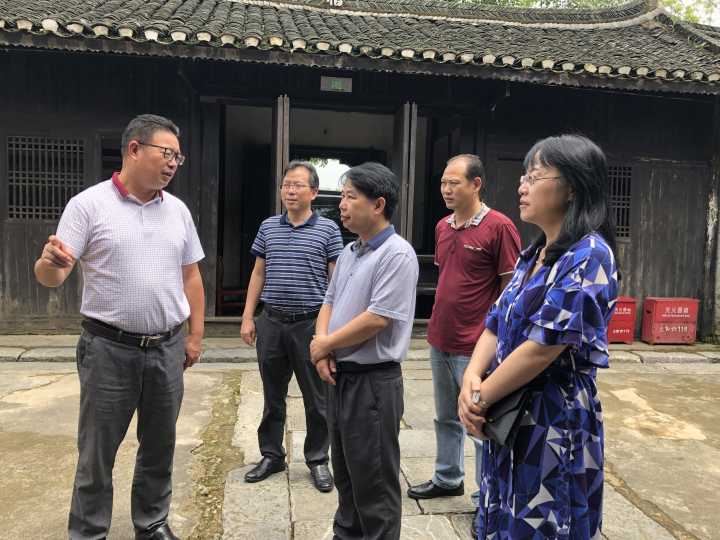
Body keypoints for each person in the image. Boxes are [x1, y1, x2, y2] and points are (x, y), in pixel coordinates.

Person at [34, 114, 205, 540]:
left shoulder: (178, 211)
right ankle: (89, 531)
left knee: (160, 444)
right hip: (108, 349)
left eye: (178, 157)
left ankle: (153, 523)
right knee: (97, 450)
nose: (173, 164)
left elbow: (191, 276)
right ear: (134, 149)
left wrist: (195, 335)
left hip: (167, 347)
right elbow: (52, 274)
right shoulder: (89, 205)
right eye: (166, 153)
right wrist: (49, 264)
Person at [458, 134, 618, 539]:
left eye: (534, 176)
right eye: (523, 176)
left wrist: (480, 397)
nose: (522, 186)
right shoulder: (533, 255)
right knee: (504, 512)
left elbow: (543, 347)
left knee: (545, 519)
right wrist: (471, 378)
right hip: (508, 411)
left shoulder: (589, 255)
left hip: (551, 420)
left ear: (572, 188)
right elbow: (495, 321)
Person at [309, 162, 419, 540]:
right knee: (345, 473)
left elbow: (378, 318)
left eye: (350, 197)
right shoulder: (350, 252)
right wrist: (322, 348)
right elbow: (329, 300)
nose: (341, 205)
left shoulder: (396, 254)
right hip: (341, 376)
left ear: (378, 204)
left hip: (373, 383)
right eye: (342, 196)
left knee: (374, 481)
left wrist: (326, 344)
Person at [408, 154, 521, 503]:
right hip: (439, 338)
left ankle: (485, 498)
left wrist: (498, 339)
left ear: (476, 184)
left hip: (475, 345)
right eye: (443, 183)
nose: (446, 189)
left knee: (478, 421)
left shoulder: (500, 227)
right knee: (445, 416)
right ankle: (447, 477)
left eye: (454, 183)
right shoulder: (443, 227)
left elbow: (510, 289)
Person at [241, 161, 343, 492]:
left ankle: (317, 459)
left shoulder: (328, 229)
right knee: (272, 395)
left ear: (314, 192)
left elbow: (336, 281)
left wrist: (331, 332)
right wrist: (248, 316)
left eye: (298, 185)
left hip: (310, 324)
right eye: (286, 185)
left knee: (318, 398)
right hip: (271, 322)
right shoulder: (268, 227)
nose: (290, 190)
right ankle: (272, 455)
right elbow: (258, 272)